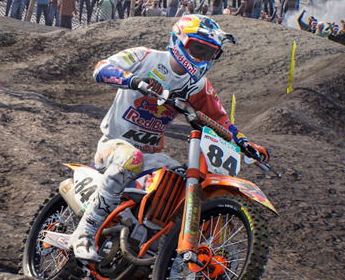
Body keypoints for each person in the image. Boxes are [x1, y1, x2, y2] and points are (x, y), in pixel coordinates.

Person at [70, 15, 270, 262]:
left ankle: (154, 248)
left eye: (209, 53)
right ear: (178, 41)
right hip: (114, 143)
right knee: (131, 158)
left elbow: (220, 120)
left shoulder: (197, 85)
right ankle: (84, 234)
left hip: (150, 156)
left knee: (182, 180)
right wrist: (133, 80)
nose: (202, 57)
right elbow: (101, 68)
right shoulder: (146, 57)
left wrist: (244, 143)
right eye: (198, 49)